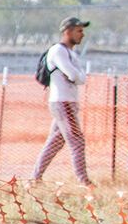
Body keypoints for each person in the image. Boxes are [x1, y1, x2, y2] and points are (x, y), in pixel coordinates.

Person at [32, 15, 92, 185]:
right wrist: (78, 76)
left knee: (55, 142)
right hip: (62, 102)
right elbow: (75, 75)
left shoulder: (70, 52)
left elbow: (80, 77)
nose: (82, 34)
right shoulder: (58, 51)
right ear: (68, 31)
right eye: (79, 31)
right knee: (77, 141)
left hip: (68, 102)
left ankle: (34, 178)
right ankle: (84, 181)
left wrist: (78, 76)